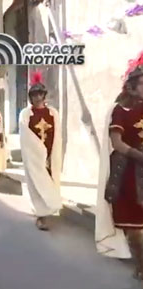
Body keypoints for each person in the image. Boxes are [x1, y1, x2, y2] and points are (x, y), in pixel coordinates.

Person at [96, 51, 143, 279]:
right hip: (130, 175)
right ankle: (141, 264)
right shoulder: (121, 111)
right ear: (132, 87)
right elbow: (117, 142)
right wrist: (138, 155)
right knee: (134, 229)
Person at [19, 71, 62, 231]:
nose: (38, 98)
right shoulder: (26, 114)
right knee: (37, 182)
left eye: (40, 94)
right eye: (35, 95)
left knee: (49, 181)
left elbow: (57, 134)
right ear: (31, 97)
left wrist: (52, 154)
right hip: (35, 156)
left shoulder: (53, 113)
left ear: (44, 95)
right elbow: (26, 136)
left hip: (50, 154)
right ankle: (41, 216)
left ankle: (48, 209)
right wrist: (38, 153)